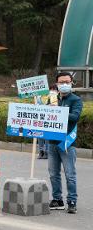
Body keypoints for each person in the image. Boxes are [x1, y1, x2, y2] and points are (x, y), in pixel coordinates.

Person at [48, 72, 83, 214]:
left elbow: (75, 117)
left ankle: (72, 201)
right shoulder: (53, 99)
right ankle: (57, 200)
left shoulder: (76, 100)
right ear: (56, 84)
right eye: (61, 82)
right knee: (53, 173)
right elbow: (44, 115)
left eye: (67, 82)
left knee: (70, 174)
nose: (64, 85)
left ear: (71, 83)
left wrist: (59, 111)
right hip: (52, 142)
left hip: (67, 143)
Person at [37, 85, 58, 159]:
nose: (52, 91)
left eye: (54, 89)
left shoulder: (56, 96)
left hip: (50, 119)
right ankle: (41, 151)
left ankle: (47, 152)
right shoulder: (39, 97)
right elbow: (37, 106)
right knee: (39, 136)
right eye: (51, 89)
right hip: (40, 118)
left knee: (47, 136)